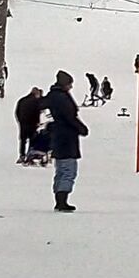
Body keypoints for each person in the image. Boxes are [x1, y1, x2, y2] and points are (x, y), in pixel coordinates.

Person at [44, 73, 87, 211]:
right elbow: (69, 117)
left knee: (61, 170)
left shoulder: (53, 95)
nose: (71, 86)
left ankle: (59, 199)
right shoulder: (62, 98)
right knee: (68, 170)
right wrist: (81, 128)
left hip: (59, 136)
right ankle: (62, 200)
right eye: (70, 83)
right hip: (67, 137)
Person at [14, 85, 45, 164]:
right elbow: (36, 113)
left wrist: (20, 120)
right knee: (32, 139)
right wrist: (37, 122)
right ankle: (30, 156)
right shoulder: (35, 102)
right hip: (32, 123)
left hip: (23, 123)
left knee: (23, 140)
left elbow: (17, 112)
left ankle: (22, 155)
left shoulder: (22, 100)